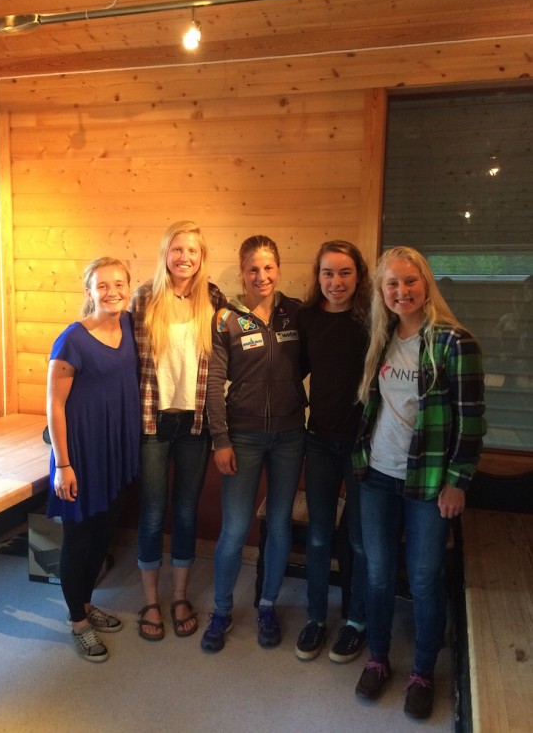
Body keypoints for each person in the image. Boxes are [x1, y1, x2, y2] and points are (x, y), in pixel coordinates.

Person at [352, 246, 485, 719]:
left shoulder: (453, 342)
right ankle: (379, 657)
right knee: (378, 572)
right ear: (381, 291)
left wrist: (458, 481)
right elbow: (375, 408)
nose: (401, 291)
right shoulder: (381, 337)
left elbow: (471, 423)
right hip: (377, 476)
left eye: (410, 281)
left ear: (426, 284)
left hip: (429, 482)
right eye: (392, 283)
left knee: (426, 578)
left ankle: (423, 670)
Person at [201, 234, 307, 653]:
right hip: (241, 437)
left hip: (290, 436)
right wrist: (220, 439)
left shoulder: (297, 313)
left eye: (268, 268)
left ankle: (266, 604)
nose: (260, 276)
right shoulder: (225, 318)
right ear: (242, 272)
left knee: (279, 525)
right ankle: (222, 611)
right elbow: (213, 383)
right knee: (234, 528)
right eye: (252, 269)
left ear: (277, 269)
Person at [132, 220, 226, 641]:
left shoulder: (214, 299)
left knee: (185, 511)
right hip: (153, 419)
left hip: (195, 422)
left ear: (202, 257)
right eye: (177, 249)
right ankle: (151, 600)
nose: (185, 257)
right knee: (152, 513)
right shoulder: (144, 298)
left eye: (192, 250)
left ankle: (180, 595)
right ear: (165, 254)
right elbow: (121, 357)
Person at [46, 257, 140, 662]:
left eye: (119, 283)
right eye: (102, 285)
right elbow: (54, 403)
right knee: (79, 539)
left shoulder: (130, 326)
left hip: (115, 447)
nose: (112, 291)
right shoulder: (73, 339)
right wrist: (63, 465)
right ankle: (77, 621)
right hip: (81, 452)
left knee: (103, 533)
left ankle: (85, 603)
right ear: (89, 292)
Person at [294, 241, 370, 663]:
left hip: (364, 445)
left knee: (357, 540)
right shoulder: (306, 318)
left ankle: (355, 621)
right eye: (327, 273)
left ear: (358, 276)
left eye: (344, 273)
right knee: (320, 535)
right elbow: (290, 371)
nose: (335, 281)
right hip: (319, 440)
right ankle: (317, 618)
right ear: (317, 276)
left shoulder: (373, 319)